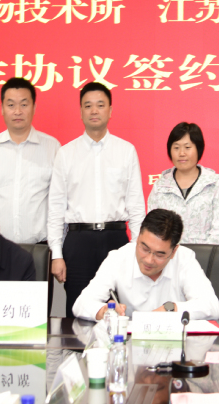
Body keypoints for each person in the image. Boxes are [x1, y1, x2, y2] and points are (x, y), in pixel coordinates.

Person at [47, 82, 146, 318]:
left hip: (116, 240)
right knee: (78, 311)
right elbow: (56, 208)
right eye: (88, 105)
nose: (94, 111)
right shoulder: (66, 154)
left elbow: (136, 206)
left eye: (100, 105)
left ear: (110, 110)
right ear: (80, 111)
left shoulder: (126, 151)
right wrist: (57, 254)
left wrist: (136, 250)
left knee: (119, 312)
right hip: (78, 244)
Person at [72, 209, 219, 321]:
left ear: (174, 251)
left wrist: (171, 309)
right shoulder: (118, 258)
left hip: (175, 346)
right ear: (138, 238)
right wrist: (103, 311)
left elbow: (212, 306)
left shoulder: (184, 259)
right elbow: (81, 304)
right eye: (144, 249)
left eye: (159, 254)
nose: (149, 260)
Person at [0, 77, 61, 244]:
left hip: (40, 248)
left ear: (34, 108)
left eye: (24, 104)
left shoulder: (53, 148)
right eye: (11, 105)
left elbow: (59, 203)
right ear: (2, 109)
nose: (17, 111)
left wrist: (57, 249)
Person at [147, 122, 219, 244]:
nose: (181, 153)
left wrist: (203, 253)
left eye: (187, 147)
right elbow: (152, 228)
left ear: (198, 149)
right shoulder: (160, 186)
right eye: (176, 148)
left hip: (205, 255)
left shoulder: (213, 184)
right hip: (169, 255)